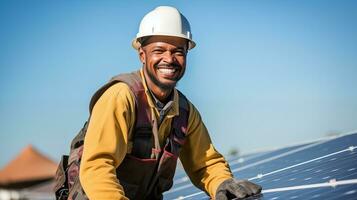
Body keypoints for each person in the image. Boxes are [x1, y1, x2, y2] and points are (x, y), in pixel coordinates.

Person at [79, 6, 262, 200]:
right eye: (159, 50)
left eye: (178, 52)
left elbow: (205, 164)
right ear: (142, 54)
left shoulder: (184, 111)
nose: (169, 59)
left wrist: (222, 183)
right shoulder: (120, 97)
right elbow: (97, 168)